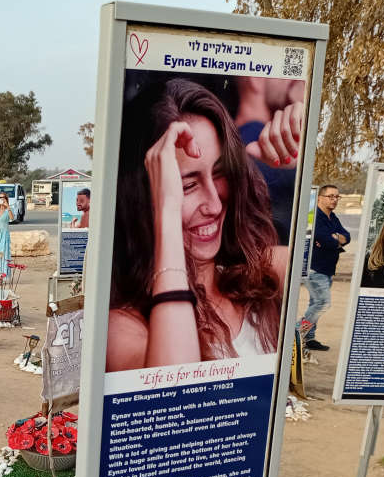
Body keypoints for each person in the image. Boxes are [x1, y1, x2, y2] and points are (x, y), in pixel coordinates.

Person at [106, 78, 289, 373]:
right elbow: (173, 392)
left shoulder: (263, 275)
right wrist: (167, 211)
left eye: (220, 174)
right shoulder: (123, 328)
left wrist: (299, 158)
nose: (214, 205)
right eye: (187, 186)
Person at [234, 78, 305, 245]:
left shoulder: (234, 142)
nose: (297, 78)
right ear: (255, 79)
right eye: (284, 72)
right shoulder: (257, 145)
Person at [298, 185, 349, 350]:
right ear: (319, 198)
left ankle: (309, 338)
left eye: (337, 197)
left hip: (327, 269)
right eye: (330, 196)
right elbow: (326, 241)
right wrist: (335, 240)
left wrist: (336, 238)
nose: (334, 200)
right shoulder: (314, 217)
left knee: (315, 303)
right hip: (314, 269)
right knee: (322, 303)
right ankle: (296, 333)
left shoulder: (332, 217)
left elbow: (347, 236)